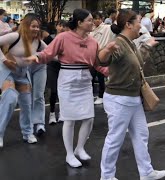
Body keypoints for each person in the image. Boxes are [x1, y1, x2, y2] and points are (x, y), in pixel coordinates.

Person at [25, 9, 117, 168]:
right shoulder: (63, 37)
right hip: (68, 80)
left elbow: (96, 63)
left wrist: (109, 72)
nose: (92, 22)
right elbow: (47, 54)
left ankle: (79, 148)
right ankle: (69, 154)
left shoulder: (93, 41)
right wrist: (36, 57)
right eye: (89, 20)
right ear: (79, 23)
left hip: (85, 81)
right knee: (70, 119)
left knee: (89, 118)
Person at [98, 9, 165, 180]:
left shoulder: (130, 43)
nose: (141, 26)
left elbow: (137, 63)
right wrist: (106, 50)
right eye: (139, 22)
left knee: (141, 134)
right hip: (120, 99)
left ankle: (146, 172)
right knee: (115, 139)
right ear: (128, 24)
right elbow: (103, 59)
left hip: (132, 98)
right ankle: (106, 176)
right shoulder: (119, 44)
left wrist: (147, 47)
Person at [0, 13, 47, 147]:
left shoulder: (37, 42)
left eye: (38, 27)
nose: (36, 29)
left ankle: (27, 133)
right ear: (26, 26)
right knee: (10, 99)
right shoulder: (16, 36)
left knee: (26, 104)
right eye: (33, 26)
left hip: (22, 74)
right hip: (7, 71)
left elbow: (50, 53)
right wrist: (4, 60)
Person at [42, 20, 68, 124]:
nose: (61, 28)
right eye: (59, 25)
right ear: (56, 26)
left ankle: (62, 113)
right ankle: (52, 114)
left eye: (63, 26)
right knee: (53, 91)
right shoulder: (50, 38)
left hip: (64, 67)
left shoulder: (67, 39)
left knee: (63, 91)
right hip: (52, 66)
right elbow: (46, 52)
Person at [90, 11, 115, 105]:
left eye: (98, 18)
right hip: (92, 57)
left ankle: (101, 96)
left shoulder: (107, 27)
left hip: (102, 56)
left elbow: (114, 30)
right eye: (94, 19)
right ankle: (91, 94)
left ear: (102, 19)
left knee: (101, 77)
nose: (96, 20)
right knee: (91, 77)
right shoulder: (91, 30)